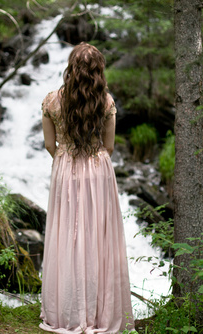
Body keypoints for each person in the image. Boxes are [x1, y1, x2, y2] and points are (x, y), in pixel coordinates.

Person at [39, 42, 135, 334]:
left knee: (67, 235)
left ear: (71, 67)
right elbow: (109, 146)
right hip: (97, 169)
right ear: (98, 71)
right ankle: (99, 313)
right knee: (98, 238)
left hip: (65, 168)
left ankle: (66, 311)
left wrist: (67, 161)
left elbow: (48, 145)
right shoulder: (106, 102)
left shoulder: (52, 100)